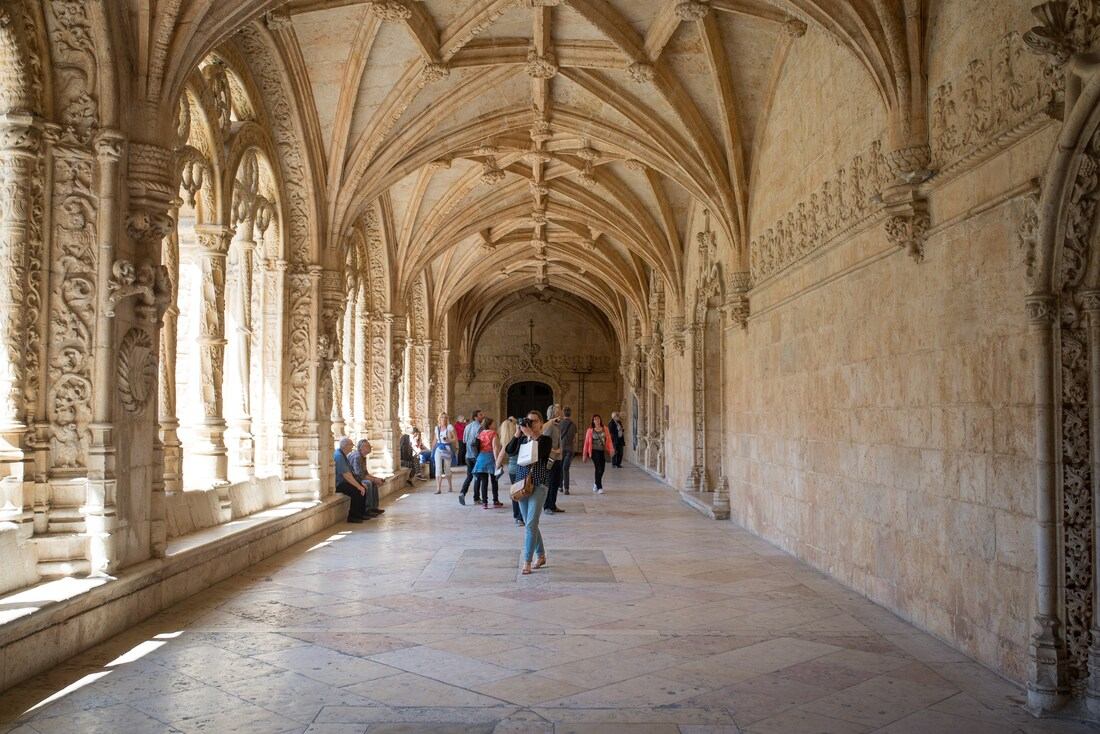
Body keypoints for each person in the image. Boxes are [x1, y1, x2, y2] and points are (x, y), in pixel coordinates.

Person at [515, 410, 553, 575]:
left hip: (538, 484)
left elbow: (538, 455)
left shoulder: (545, 440)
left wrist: (531, 435)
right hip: (522, 486)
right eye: (528, 421)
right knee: (530, 523)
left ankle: (527, 561)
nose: (531, 424)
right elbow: (510, 450)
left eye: (534, 421)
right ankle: (541, 555)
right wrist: (517, 434)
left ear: (541, 423)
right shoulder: (523, 439)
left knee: (530, 524)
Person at [334, 437, 369, 523]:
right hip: (339, 484)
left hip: (344, 481)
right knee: (357, 491)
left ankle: (361, 513)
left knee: (362, 487)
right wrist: (359, 486)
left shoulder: (343, 455)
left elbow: (350, 473)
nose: (352, 447)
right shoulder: (339, 456)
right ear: (345, 446)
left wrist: (360, 484)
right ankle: (353, 516)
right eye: (351, 445)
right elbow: (346, 475)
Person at [349, 438, 385, 517]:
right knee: (368, 483)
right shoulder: (357, 457)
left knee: (373, 483)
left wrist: (376, 479)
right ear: (362, 447)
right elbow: (359, 475)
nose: (370, 447)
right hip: (353, 479)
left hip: (358, 477)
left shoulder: (363, 457)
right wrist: (374, 479)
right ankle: (367, 509)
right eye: (368, 446)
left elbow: (365, 473)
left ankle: (374, 507)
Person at [498, 417, 523, 526]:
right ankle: (520, 516)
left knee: (515, 492)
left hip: (512, 470)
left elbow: (500, 456)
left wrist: (497, 467)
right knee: (522, 493)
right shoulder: (520, 438)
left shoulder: (507, 442)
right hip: (522, 468)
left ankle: (516, 515)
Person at [472, 417, 502, 509]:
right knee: (494, 480)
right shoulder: (493, 433)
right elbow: (495, 449)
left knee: (484, 482)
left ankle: (485, 503)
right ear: (489, 425)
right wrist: (497, 461)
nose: (494, 425)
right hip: (490, 458)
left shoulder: (480, 433)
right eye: (493, 423)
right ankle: (495, 501)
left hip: (481, 458)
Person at [542, 403, 565, 514]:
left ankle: (553, 504)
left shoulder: (557, 425)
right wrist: (553, 450)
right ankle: (547, 506)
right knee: (550, 482)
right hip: (550, 458)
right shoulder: (549, 425)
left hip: (558, 458)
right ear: (554, 413)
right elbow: (543, 440)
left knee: (556, 482)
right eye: (559, 410)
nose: (561, 412)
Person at [459, 409, 483, 505]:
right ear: (475, 417)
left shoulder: (467, 426)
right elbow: (479, 442)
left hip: (468, 455)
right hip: (476, 455)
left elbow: (464, 441)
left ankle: (462, 493)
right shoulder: (480, 427)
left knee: (469, 476)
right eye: (480, 415)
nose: (482, 416)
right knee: (477, 477)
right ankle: (476, 498)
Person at [583, 414, 611, 494]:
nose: (597, 420)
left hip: (603, 451)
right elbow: (586, 443)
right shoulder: (590, 430)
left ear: (600, 420)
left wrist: (611, 449)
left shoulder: (605, 429)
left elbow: (609, 440)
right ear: (593, 421)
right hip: (594, 451)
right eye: (595, 419)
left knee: (602, 469)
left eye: (598, 419)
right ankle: (599, 487)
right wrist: (584, 455)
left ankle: (596, 483)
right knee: (598, 468)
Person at [433, 412, 457, 494]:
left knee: (447, 468)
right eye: (442, 417)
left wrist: (449, 440)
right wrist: (432, 450)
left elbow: (455, 438)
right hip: (439, 448)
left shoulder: (450, 427)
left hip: (447, 448)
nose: (444, 419)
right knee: (438, 468)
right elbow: (435, 440)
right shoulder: (437, 428)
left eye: (445, 417)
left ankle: (450, 486)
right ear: (439, 419)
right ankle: (438, 488)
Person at [559, 407, 576, 495]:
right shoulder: (573, 425)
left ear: (563, 413)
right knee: (566, 468)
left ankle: (560, 486)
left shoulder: (559, 424)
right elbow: (574, 439)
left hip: (561, 449)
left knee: (561, 468)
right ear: (570, 413)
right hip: (570, 449)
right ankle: (566, 488)